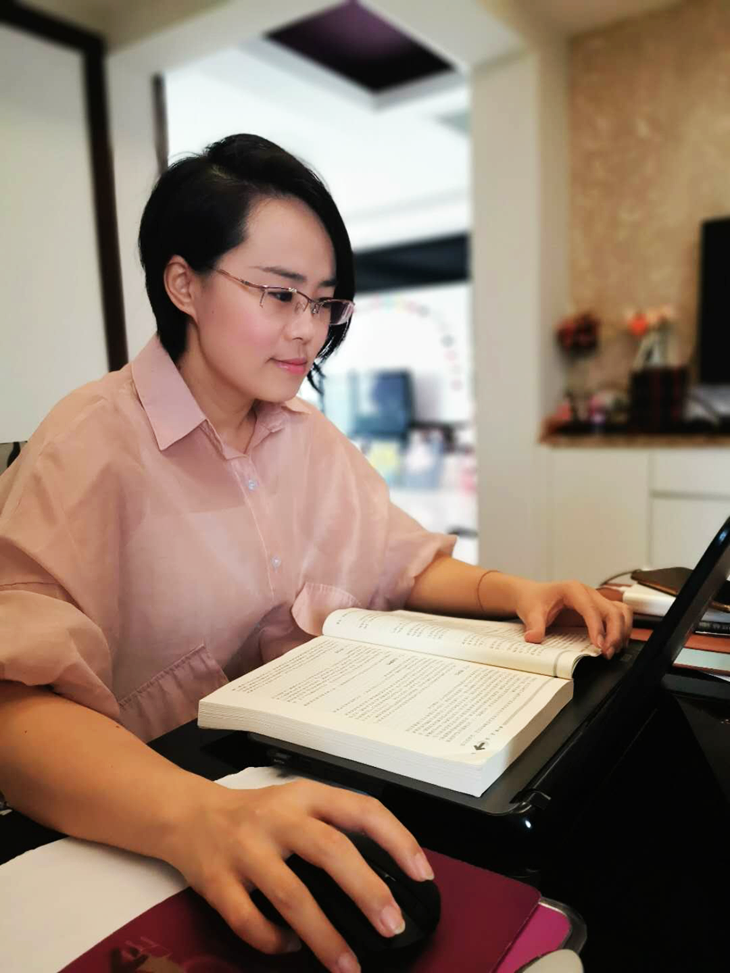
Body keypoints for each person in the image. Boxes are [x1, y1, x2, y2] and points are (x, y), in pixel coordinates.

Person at [0, 134, 632, 973]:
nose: (307, 330)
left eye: (325, 302)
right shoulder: (86, 445)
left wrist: (516, 590)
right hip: (154, 827)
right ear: (183, 283)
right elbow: (13, 707)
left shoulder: (307, 435)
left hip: (305, 792)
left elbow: (402, 562)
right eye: (279, 294)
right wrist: (198, 817)